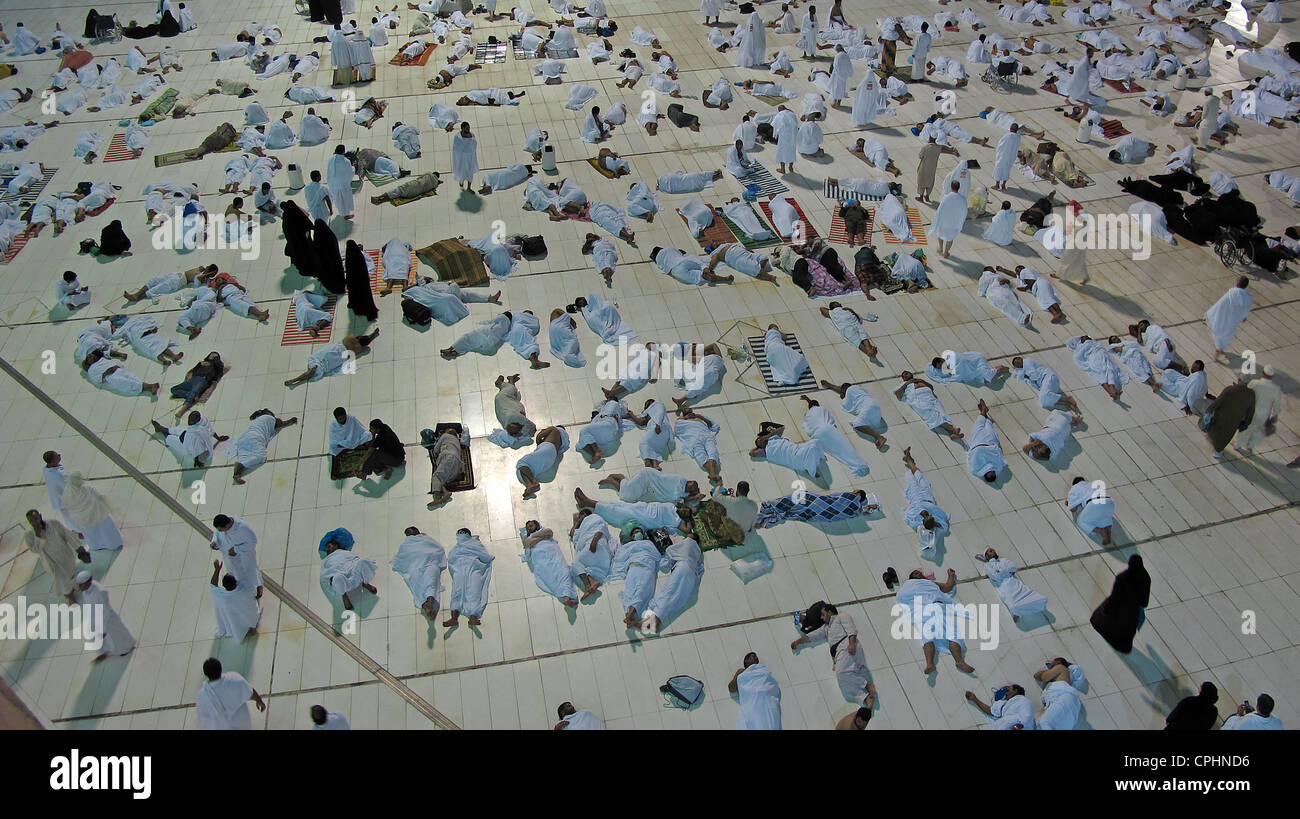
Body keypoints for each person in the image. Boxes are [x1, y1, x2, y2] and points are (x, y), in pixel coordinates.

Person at [790, 603, 874, 704]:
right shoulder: (826, 628)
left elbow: (851, 629)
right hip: (840, 653)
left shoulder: (842, 617)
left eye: (823, 614)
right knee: (843, 683)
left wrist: (851, 643)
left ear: (830, 612)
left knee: (841, 672)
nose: (821, 617)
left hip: (846, 646)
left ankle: (866, 685)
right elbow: (814, 636)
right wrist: (798, 641)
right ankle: (864, 697)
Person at [897, 568, 975, 673]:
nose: (917, 573)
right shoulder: (907, 587)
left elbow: (948, 587)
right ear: (910, 579)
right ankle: (929, 664)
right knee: (927, 638)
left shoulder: (930, 583)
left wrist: (951, 575)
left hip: (938, 607)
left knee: (952, 635)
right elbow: (902, 597)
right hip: (922, 611)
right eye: (914, 573)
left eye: (919, 572)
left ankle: (959, 661)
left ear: (924, 576)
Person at [23, 509, 90, 600]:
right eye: (31, 521)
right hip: (52, 562)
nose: (34, 522)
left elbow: (68, 535)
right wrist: (38, 535)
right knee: (62, 582)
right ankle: (70, 597)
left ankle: (75, 586)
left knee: (71, 573)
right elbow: (35, 550)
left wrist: (81, 551)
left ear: (40, 516)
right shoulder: (29, 535)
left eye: (36, 518)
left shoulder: (53, 523)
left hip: (65, 555)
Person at [1090, 554, 1150, 654]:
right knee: (1127, 629)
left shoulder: (1123, 577)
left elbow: (1115, 594)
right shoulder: (1145, 577)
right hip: (1132, 610)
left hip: (1119, 607)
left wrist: (1108, 608)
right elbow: (1144, 601)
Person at [74, 571, 135, 661]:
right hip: (94, 617)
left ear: (87, 582)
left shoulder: (100, 592)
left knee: (116, 635)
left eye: (81, 584)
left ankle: (125, 649)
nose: (79, 587)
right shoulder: (85, 591)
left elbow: (106, 611)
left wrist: (103, 629)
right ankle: (107, 651)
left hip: (107, 619)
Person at [441, 528, 495, 628]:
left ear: (468, 534)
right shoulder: (456, 548)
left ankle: (473, 616)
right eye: (459, 533)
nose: (460, 535)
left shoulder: (476, 544)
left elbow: (484, 556)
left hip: (474, 568)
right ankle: (454, 618)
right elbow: (451, 559)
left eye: (462, 533)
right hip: (460, 570)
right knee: (457, 591)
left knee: (474, 591)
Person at [977, 547, 1048, 622]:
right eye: (991, 551)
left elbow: (1012, 568)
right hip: (1003, 586)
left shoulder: (1004, 560)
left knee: (1036, 597)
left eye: (993, 550)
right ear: (987, 556)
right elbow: (995, 576)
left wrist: (1000, 571)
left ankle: (1036, 607)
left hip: (1014, 582)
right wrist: (1004, 571)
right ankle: (1017, 613)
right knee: (1012, 603)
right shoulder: (987, 566)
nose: (993, 551)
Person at [390, 527, 447, 619]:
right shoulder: (406, 544)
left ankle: (430, 601)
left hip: (430, 564)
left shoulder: (426, 539)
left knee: (431, 582)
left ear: (416, 531)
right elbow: (402, 556)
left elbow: (438, 549)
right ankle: (425, 605)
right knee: (417, 586)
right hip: (415, 568)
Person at [228, 410, 297, 485]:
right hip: (255, 437)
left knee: (243, 454)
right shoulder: (270, 418)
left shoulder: (257, 421)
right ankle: (240, 465)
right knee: (260, 456)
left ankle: (237, 473)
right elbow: (281, 423)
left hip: (243, 438)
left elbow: (254, 415)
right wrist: (291, 420)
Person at [521, 520, 579, 608]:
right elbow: (527, 543)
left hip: (553, 553)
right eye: (527, 527)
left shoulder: (543, 530)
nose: (529, 528)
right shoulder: (527, 538)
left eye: (531, 525)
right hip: (541, 557)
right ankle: (566, 597)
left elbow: (549, 532)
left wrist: (534, 538)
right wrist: (542, 537)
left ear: (537, 525)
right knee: (551, 576)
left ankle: (566, 597)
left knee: (564, 572)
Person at [196, 657, 266, 729]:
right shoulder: (234, 678)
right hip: (242, 723)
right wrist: (259, 701)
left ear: (206, 674)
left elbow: (203, 718)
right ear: (220, 668)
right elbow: (250, 692)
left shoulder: (202, 695)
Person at [319, 528, 379, 610]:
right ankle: (344, 595)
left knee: (363, 562)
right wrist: (331, 578)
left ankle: (365, 583)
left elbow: (354, 560)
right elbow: (324, 575)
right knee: (336, 578)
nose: (328, 549)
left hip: (355, 576)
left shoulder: (345, 553)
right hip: (344, 582)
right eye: (327, 548)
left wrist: (355, 566)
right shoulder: (325, 561)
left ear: (336, 546)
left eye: (330, 546)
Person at [60, 473, 123, 550]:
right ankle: (113, 544)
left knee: (91, 533)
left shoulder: (67, 494)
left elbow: (66, 505)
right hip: (97, 514)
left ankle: (96, 546)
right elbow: (100, 497)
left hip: (82, 519)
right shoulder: (88, 489)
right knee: (106, 530)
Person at [210, 514, 262, 599]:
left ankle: (258, 587)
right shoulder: (223, 525)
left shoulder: (242, 529)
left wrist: (236, 550)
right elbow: (217, 534)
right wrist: (214, 541)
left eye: (221, 529)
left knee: (251, 574)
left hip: (243, 558)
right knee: (234, 575)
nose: (220, 531)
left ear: (227, 525)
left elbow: (253, 541)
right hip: (229, 559)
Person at [209, 559, 260, 642]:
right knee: (251, 612)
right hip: (246, 614)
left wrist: (217, 570)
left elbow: (212, 585)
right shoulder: (246, 590)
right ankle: (252, 628)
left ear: (224, 585)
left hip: (233, 617)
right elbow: (253, 591)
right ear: (236, 582)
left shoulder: (220, 595)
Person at [1204, 380, 1256, 459]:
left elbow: (1218, 401)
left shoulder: (1230, 389)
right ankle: (1218, 452)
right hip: (1234, 421)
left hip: (1220, 416)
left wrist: (1209, 411)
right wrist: (1246, 422)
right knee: (1225, 436)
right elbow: (1251, 411)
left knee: (1214, 431)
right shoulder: (1251, 394)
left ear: (1239, 380)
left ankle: (1212, 440)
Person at [729, 652, 782, 729]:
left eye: (756, 657)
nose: (756, 658)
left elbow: (773, 686)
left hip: (768, 705)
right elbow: (731, 688)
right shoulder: (742, 674)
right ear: (746, 661)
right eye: (753, 656)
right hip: (754, 705)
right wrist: (738, 676)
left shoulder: (764, 672)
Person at [1237, 366, 1282, 454]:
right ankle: (1250, 446)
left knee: (1246, 428)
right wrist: (1275, 415)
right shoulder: (1276, 389)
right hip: (1264, 414)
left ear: (1262, 373)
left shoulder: (1254, 383)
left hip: (1251, 411)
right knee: (1257, 431)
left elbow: (1246, 394)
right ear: (1272, 376)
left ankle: (1238, 445)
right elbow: (1276, 405)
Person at [1205, 277, 1253, 358]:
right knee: (1227, 334)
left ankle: (1218, 350)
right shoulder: (1248, 297)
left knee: (1218, 332)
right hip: (1233, 320)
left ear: (1237, 283)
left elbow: (1221, 304)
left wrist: (1212, 313)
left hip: (1223, 317)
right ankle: (1220, 348)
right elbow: (1246, 308)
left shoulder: (1232, 292)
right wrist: (1243, 316)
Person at [1067, 476, 1115, 545]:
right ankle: (1108, 531)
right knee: (1105, 518)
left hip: (1095, 503)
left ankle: (1101, 531)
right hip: (1110, 502)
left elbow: (1073, 509)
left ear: (1074, 484)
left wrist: (1071, 503)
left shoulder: (1074, 488)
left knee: (1081, 521)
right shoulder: (1092, 484)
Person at [967, 400, 1006, 482]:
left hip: (977, 442)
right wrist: (995, 448)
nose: (991, 470)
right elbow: (999, 454)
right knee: (988, 425)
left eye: (990, 473)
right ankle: (984, 412)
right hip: (990, 442)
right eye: (993, 473)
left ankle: (983, 411)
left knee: (979, 425)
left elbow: (973, 455)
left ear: (986, 474)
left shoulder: (976, 468)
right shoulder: (998, 466)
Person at [965, 684, 1035, 729]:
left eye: (1008, 690)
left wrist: (1016, 727)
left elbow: (1027, 717)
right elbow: (990, 711)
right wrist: (974, 699)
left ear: (1015, 691)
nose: (1006, 693)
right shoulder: (1004, 704)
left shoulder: (1024, 701)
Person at [326, 145, 355, 220]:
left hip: (334, 184)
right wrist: (353, 167)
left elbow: (329, 172)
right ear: (343, 152)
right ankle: (346, 215)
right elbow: (350, 173)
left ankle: (342, 212)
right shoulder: (346, 162)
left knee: (339, 201)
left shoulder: (331, 159)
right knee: (345, 201)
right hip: (343, 186)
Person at [451, 121, 478, 191]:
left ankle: (469, 188)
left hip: (470, 157)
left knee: (470, 172)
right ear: (462, 129)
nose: (468, 130)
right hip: (462, 158)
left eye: (469, 128)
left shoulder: (471, 135)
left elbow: (474, 144)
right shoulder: (458, 137)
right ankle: (461, 182)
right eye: (467, 129)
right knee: (462, 172)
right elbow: (455, 148)